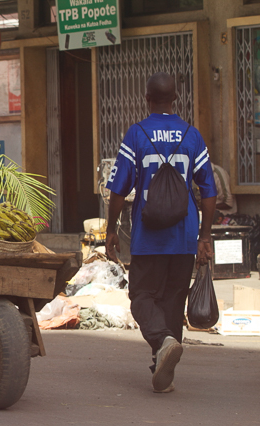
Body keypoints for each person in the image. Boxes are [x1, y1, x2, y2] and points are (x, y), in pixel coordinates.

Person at [105, 72, 217, 394]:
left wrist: (111, 230)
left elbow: (118, 189)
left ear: (147, 99)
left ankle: (163, 342)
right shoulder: (192, 136)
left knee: (141, 297)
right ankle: (162, 367)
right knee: (172, 302)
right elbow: (208, 191)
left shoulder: (137, 134)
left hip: (148, 237)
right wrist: (204, 236)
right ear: (176, 100)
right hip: (183, 238)